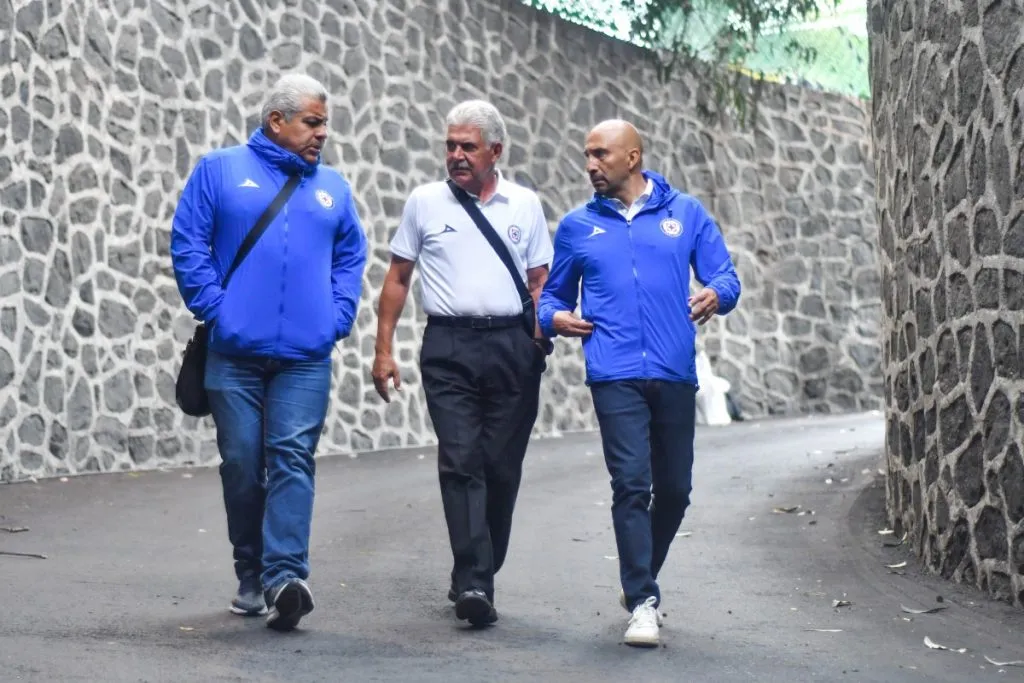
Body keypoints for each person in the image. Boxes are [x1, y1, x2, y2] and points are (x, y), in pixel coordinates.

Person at [170, 73, 368, 631]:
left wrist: (337, 315)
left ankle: (285, 578)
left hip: (306, 357)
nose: (322, 133)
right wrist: (216, 307)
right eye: (312, 121)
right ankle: (249, 570)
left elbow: (351, 253)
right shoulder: (219, 170)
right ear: (276, 121)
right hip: (233, 353)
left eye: (324, 122)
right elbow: (188, 241)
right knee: (241, 464)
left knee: (291, 458)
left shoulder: (332, 187)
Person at [537, 119, 741, 647]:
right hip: (614, 373)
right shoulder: (577, 226)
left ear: (633, 158)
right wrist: (554, 319)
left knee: (674, 491)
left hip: (674, 369)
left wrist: (716, 294)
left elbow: (727, 276)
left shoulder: (685, 213)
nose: (590, 165)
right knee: (631, 484)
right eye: (587, 155)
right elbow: (551, 299)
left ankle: (638, 576)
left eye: (600, 155)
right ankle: (643, 599)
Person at [371, 99, 553, 627]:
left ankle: (476, 569)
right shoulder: (425, 202)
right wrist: (384, 349)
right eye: (449, 145)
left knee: (500, 468)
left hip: (511, 348)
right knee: (460, 460)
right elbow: (399, 278)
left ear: (495, 151)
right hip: (448, 346)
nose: (455, 155)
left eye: (466, 147)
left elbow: (540, 284)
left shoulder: (524, 205)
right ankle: (475, 581)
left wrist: (539, 343)